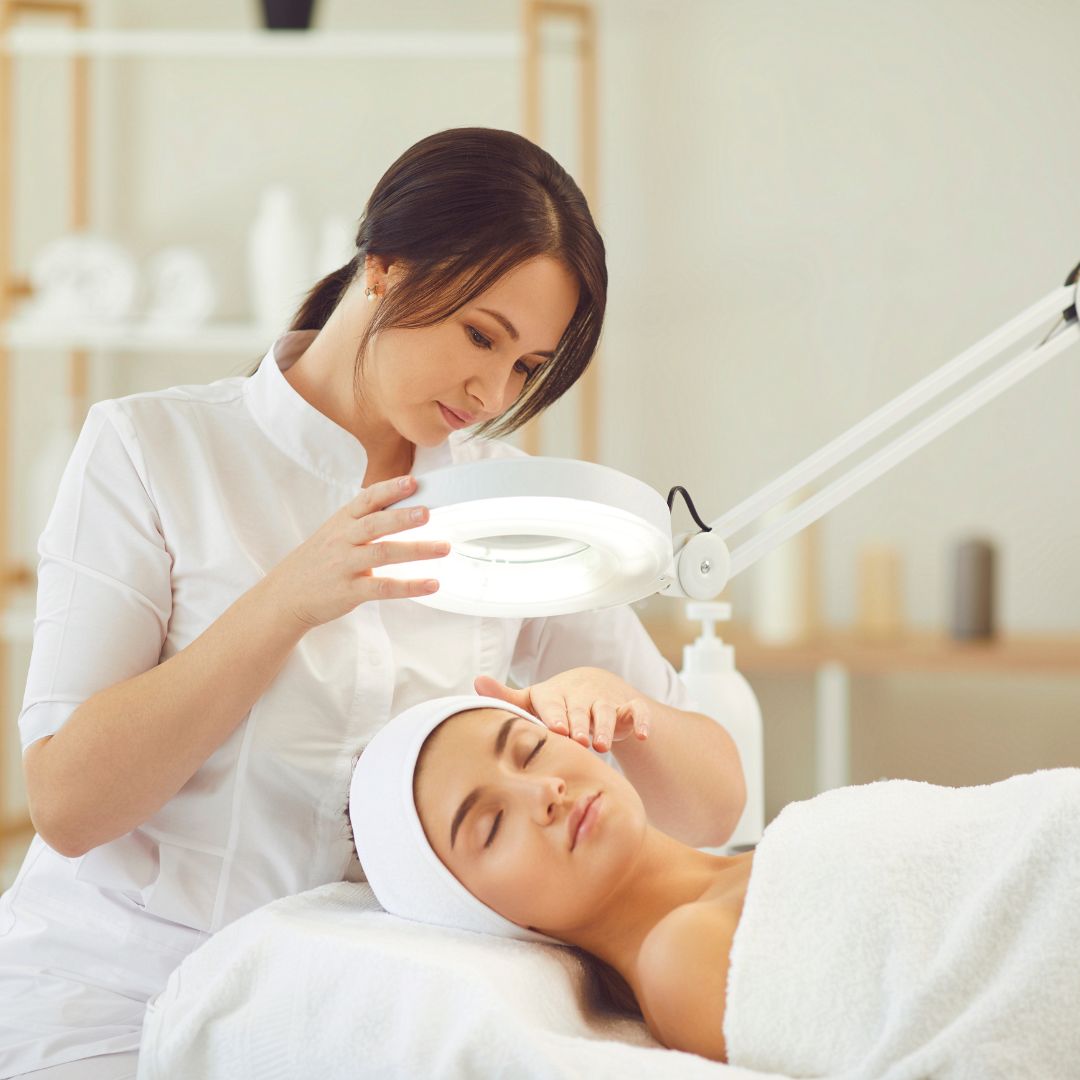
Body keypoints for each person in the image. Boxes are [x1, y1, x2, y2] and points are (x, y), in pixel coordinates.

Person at [0, 127, 746, 1079]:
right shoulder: (153, 452)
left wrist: (623, 707)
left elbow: (709, 807)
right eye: (480, 335)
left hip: (342, 1010)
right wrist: (286, 605)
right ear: (384, 267)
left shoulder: (501, 503)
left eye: (526, 367)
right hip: (114, 999)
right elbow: (67, 804)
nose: (490, 390)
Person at [348, 693, 752, 1066]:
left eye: (531, 750)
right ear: (488, 915)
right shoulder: (684, 959)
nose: (545, 790)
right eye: (492, 825)